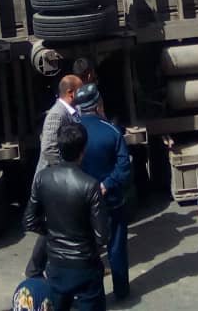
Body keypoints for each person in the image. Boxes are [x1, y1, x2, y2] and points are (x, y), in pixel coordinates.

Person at [23, 123, 110, 311]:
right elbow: (102, 235)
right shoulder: (90, 185)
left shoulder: (42, 178)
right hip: (85, 266)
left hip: (55, 266)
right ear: (83, 149)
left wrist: (52, 234)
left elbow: (29, 220)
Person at [76, 83, 131, 301]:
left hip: (83, 203)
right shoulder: (111, 131)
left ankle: (94, 293)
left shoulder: (73, 132)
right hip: (112, 201)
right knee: (116, 247)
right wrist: (107, 184)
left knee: (89, 249)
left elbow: (67, 165)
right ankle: (121, 291)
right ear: (98, 103)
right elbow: (124, 166)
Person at [27, 74, 83, 278]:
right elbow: (49, 148)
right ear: (70, 93)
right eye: (81, 90)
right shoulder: (56, 114)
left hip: (61, 178)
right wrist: (68, 170)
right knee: (52, 226)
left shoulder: (73, 111)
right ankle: (34, 269)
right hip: (54, 180)